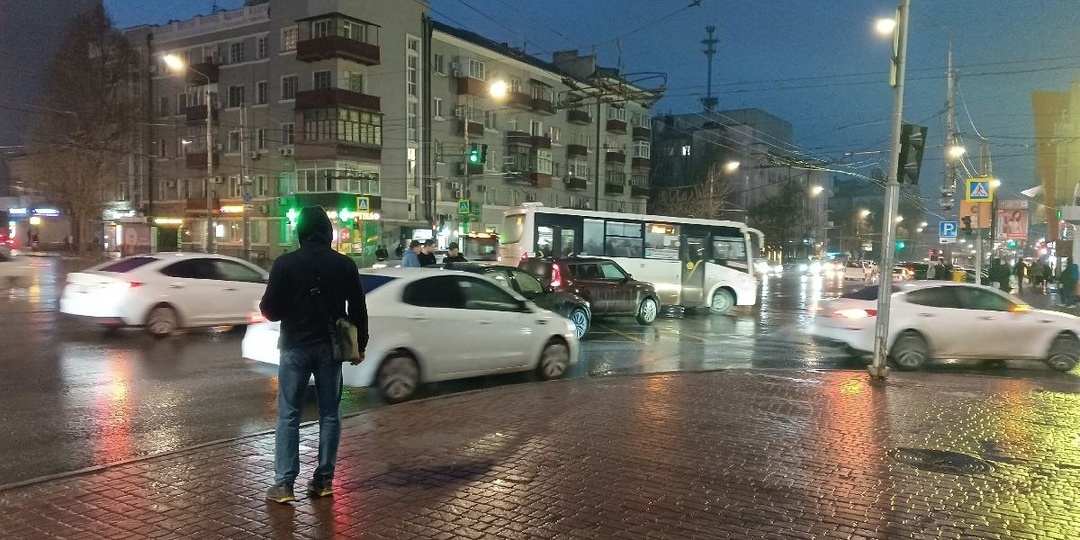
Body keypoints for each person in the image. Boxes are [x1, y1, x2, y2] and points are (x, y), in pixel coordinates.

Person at [259, 206, 369, 504]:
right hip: (330, 349)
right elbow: (358, 308)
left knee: (289, 415)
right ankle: (323, 481)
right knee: (330, 414)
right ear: (328, 232)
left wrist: (290, 307)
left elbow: (269, 310)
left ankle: (284, 485)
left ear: (301, 232)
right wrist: (360, 346)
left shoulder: (285, 264)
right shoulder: (344, 265)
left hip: (295, 346)